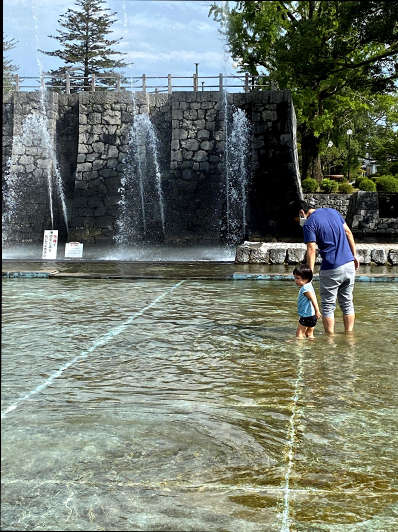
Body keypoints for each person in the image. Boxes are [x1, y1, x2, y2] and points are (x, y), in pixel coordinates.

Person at [289, 199, 360, 334]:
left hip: (332, 267)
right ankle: (349, 335)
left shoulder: (309, 223)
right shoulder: (333, 212)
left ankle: (330, 339)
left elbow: (311, 250)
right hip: (349, 264)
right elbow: (349, 233)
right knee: (347, 303)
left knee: (328, 306)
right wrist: (354, 255)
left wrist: (308, 275)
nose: (299, 222)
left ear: (301, 212)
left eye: (297, 219)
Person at [293, 264, 322, 340]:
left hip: (306, 316)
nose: (295, 280)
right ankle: (311, 347)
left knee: (299, 334)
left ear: (306, 278)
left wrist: (317, 311)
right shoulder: (309, 285)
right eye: (295, 278)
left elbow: (313, 299)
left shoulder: (305, 288)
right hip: (312, 316)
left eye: (298, 278)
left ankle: (299, 349)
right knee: (309, 334)